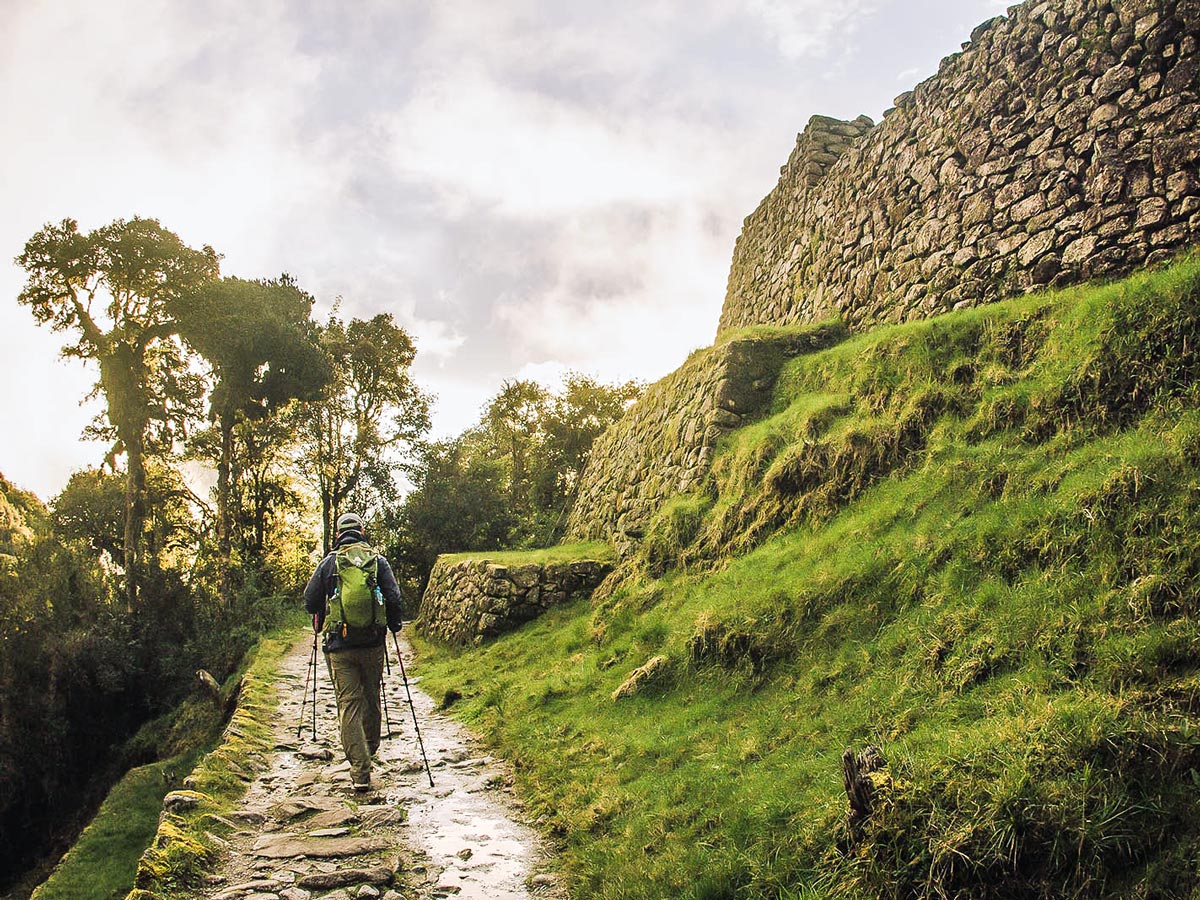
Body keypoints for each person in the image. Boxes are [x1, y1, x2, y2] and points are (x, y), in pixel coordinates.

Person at [304, 512, 404, 791]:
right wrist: (393, 624)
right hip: (372, 643)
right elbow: (394, 597)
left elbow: (310, 599)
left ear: (338, 535)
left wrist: (319, 615)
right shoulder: (378, 561)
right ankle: (369, 750)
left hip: (339, 646)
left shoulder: (330, 563)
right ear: (361, 531)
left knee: (349, 703)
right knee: (372, 697)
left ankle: (360, 771)